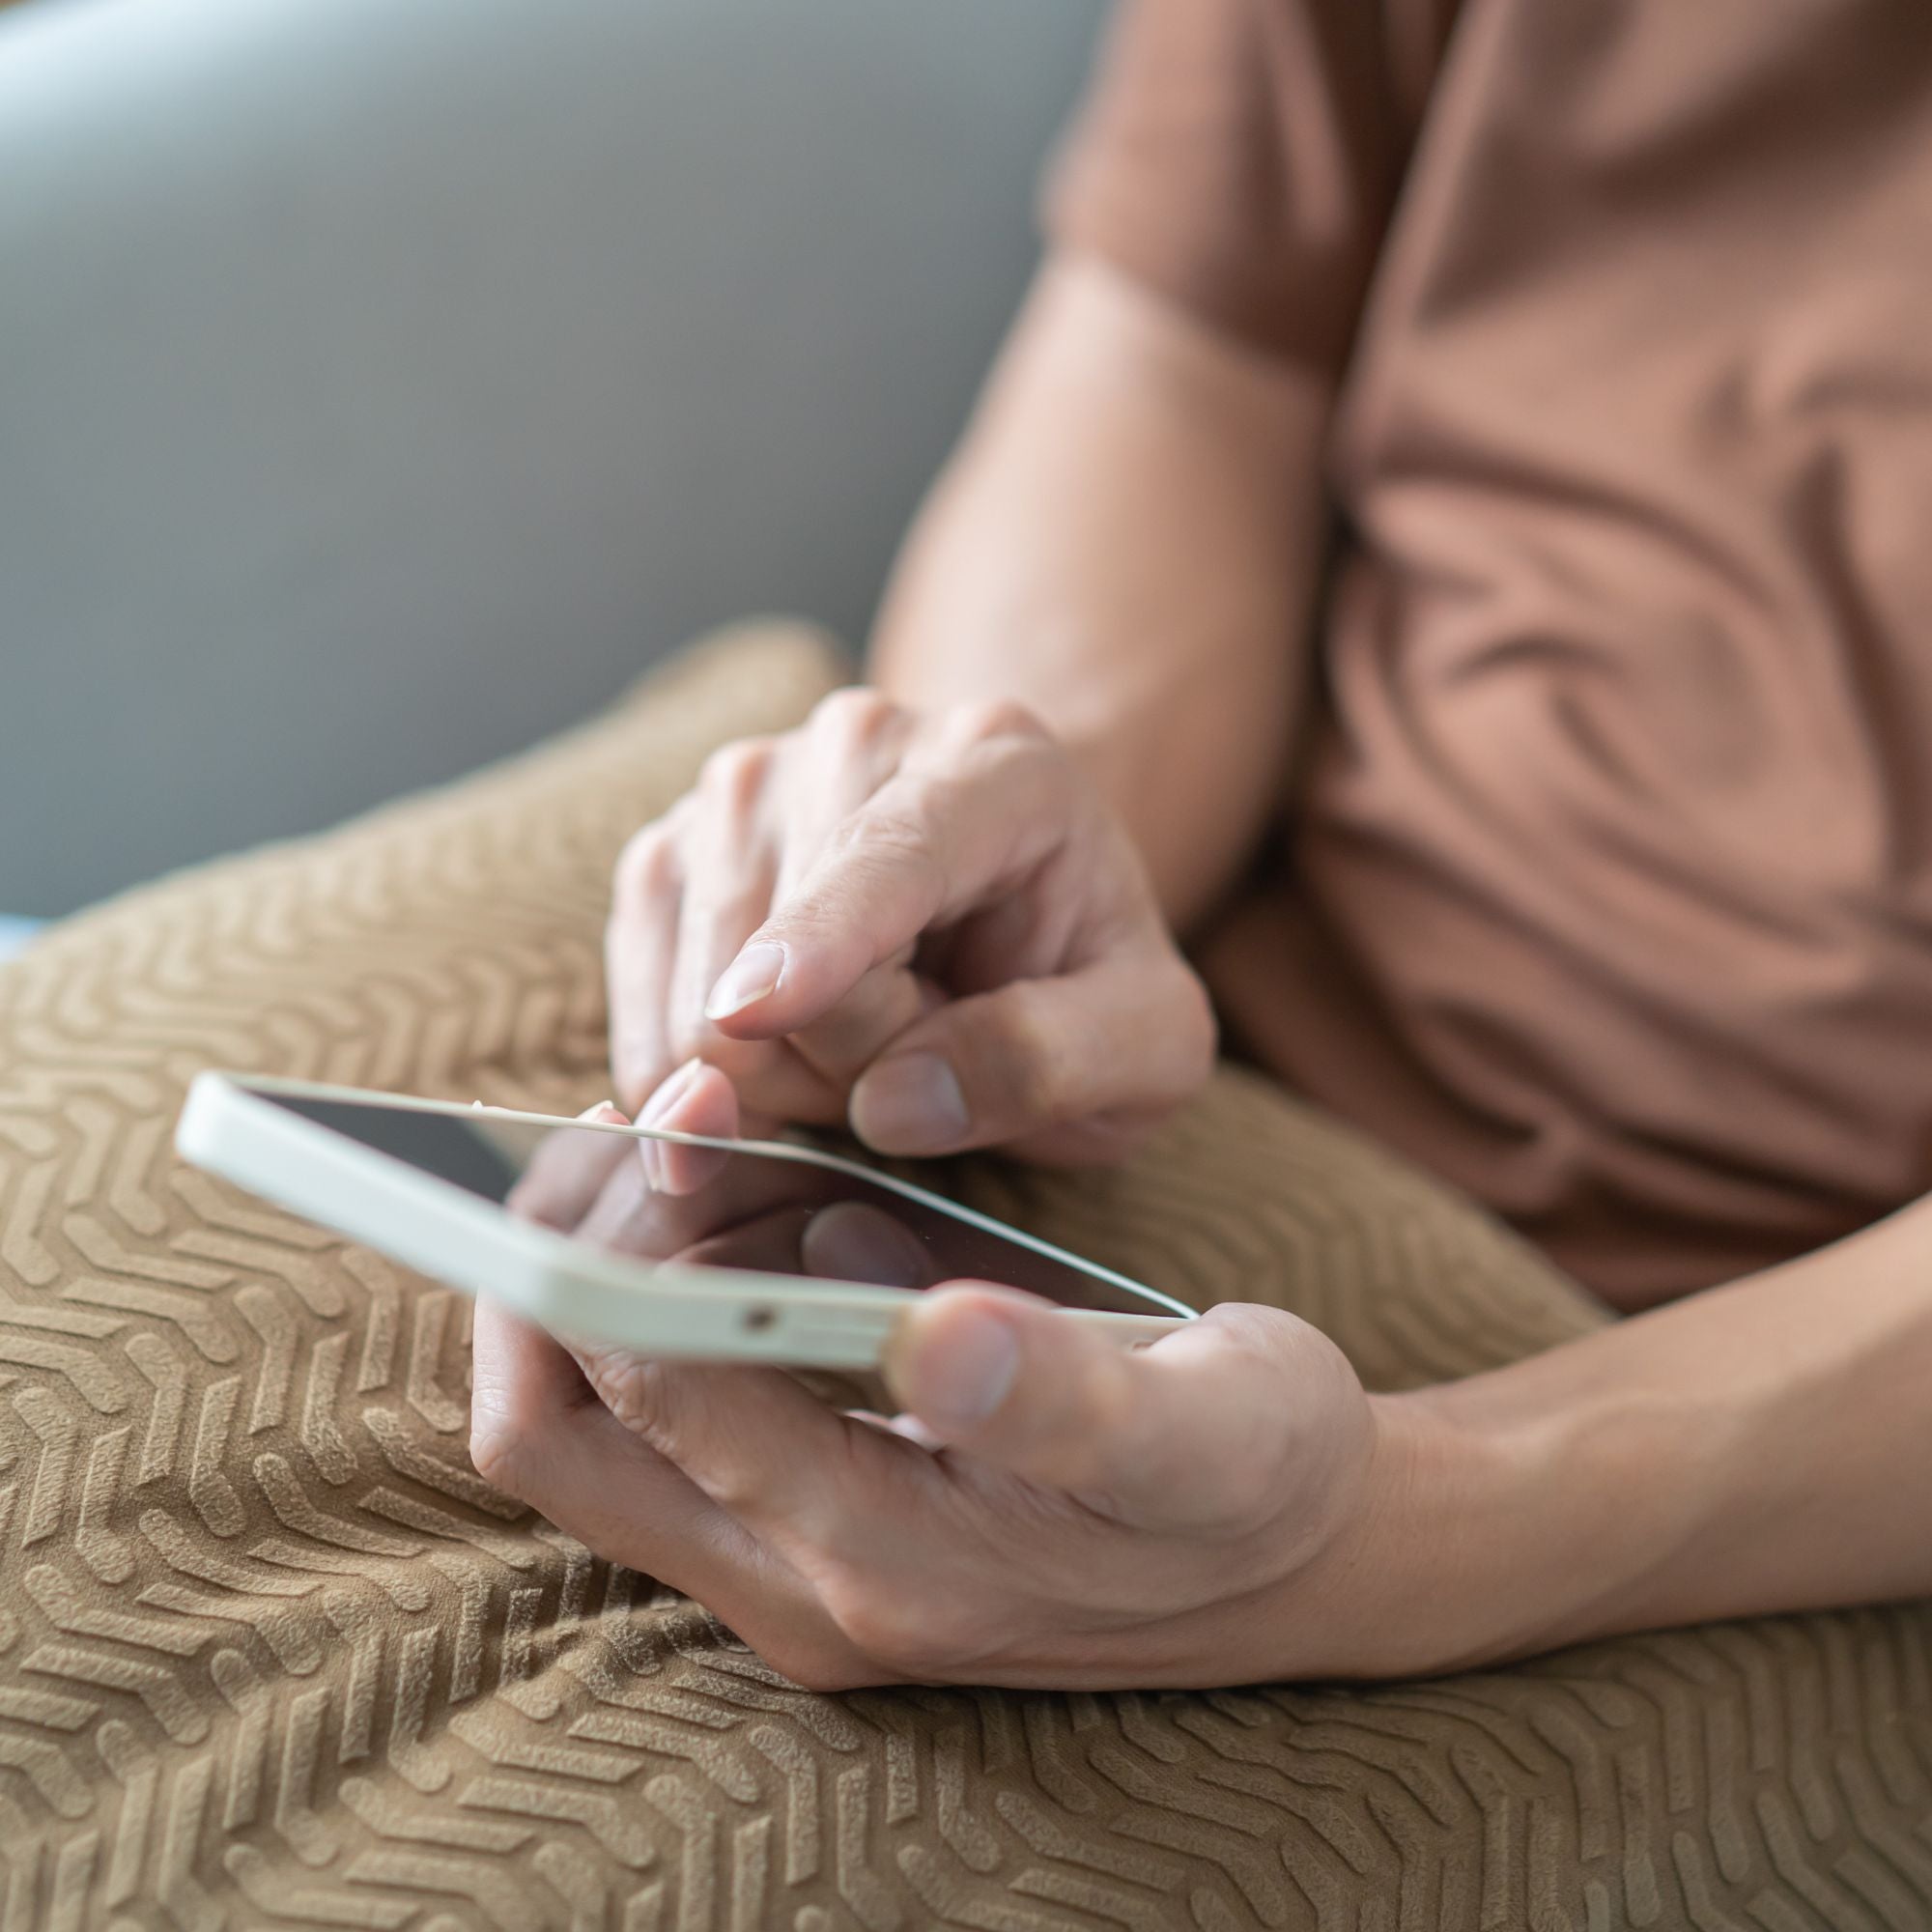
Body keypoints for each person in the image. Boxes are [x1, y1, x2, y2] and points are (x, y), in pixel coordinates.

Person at [468, 0, 1932, 1690]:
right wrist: (979, 877)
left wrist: (1428, 1532)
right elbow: (1189, 362)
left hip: (1759, 1449)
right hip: (1149, 1107)